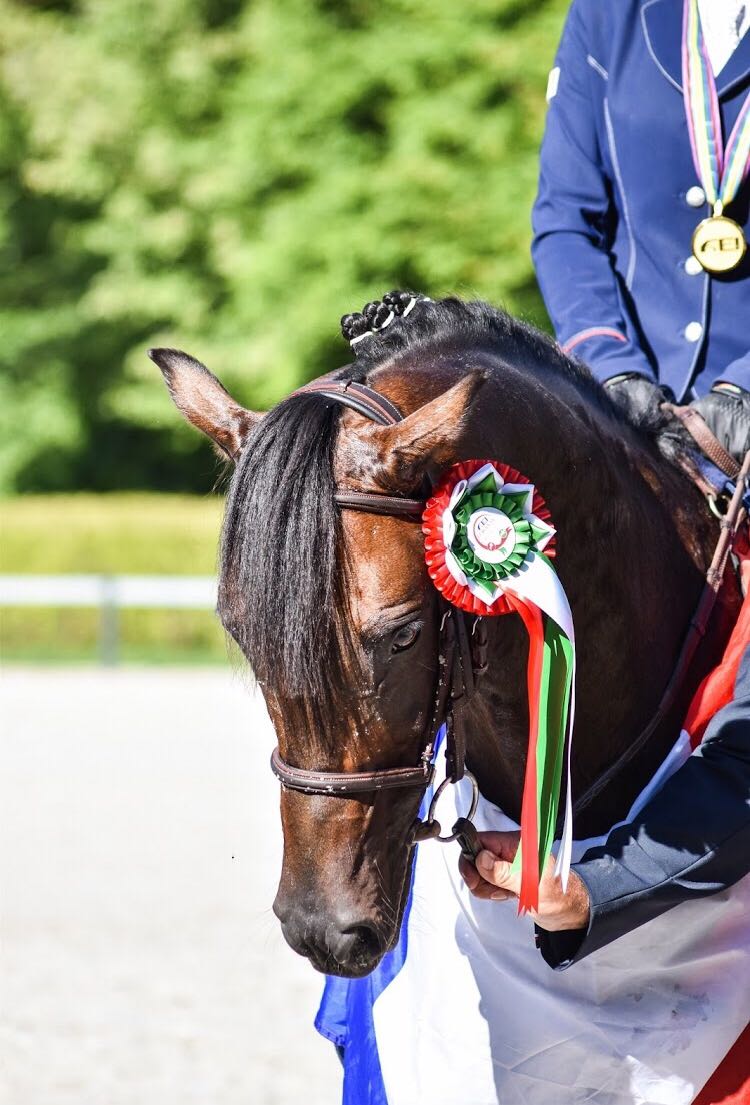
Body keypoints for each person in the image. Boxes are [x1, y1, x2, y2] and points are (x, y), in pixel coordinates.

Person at [461, 0, 750, 968]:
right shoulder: (611, 17)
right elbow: (566, 220)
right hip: (627, 413)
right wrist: (610, 366)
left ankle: (611, 883)